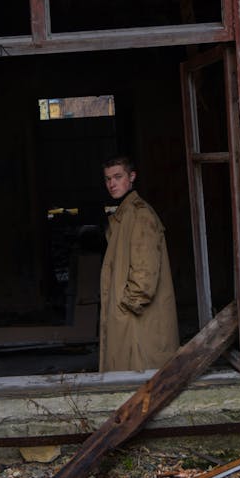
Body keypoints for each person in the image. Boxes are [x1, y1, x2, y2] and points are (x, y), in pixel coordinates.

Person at [99, 155, 179, 372]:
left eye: (118, 177)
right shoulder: (124, 214)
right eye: (108, 179)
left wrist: (126, 305)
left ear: (131, 177)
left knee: (140, 381)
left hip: (135, 321)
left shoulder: (139, 214)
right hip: (127, 318)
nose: (112, 183)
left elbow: (144, 273)